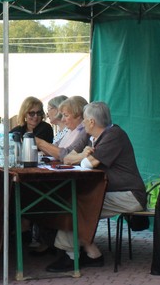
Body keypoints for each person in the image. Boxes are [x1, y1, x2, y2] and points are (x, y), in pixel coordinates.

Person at [46, 101, 148, 272]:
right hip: (117, 193)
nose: (82, 124)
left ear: (91, 122)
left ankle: (70, 256)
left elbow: (88, 163)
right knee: (76, 202)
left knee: (76, 204)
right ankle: (92, 254)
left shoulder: (114, 135)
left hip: (130, 196)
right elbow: (69, 159)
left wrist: (82, 157)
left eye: (84, 120)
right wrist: (82, 156)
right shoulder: (97, 137)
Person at [35, 96, 89, 163]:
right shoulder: (70, 130)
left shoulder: (85, 131)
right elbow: (55, 147)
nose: (63, 119)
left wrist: (40, 143)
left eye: (66, 115)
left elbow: (68, 155)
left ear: (78, 115)